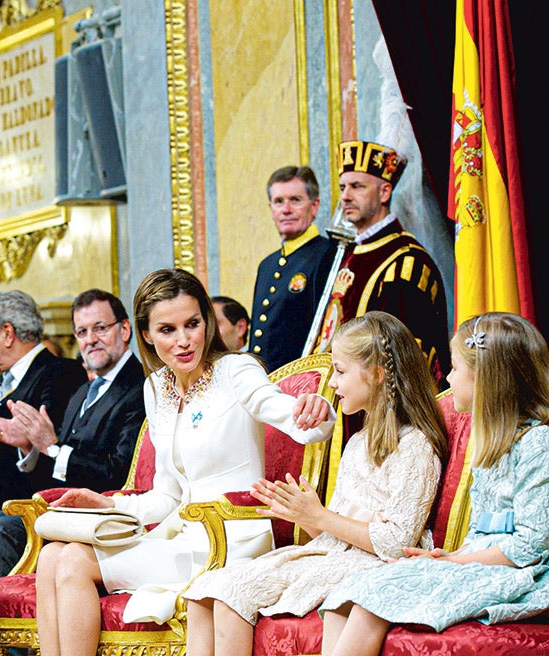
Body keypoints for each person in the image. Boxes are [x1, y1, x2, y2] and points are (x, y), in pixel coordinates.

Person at [33, 268, 337, 656]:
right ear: (145, 334)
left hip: (231, 545)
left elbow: (300, 420)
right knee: (52, 555)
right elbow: (166, 496)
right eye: (167, 330)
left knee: (74, 560)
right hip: (179, 539)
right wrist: (109, 503)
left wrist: (316, 409)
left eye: (192, 324)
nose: (183, 341)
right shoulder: (155, 387)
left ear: (207, 321)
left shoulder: (235, 370)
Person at [319, 312, 549, 656]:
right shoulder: (494, 442)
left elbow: (529, 548)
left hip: (535, 576)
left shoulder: (541, 444)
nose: (447, 378)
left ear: (486, 379)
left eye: (456, 368)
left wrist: (447, 564)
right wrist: (450, 555)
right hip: (491, 564)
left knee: (373, 599)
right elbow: (483, 530)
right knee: (347, 594)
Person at [182, 312, 448, 656]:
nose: (332, 383)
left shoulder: (416, 446)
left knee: (232, 596)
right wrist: (300, 513)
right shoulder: (357, 443)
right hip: (335, 554)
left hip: (374, 564)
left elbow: (396, 542)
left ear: (378, 374)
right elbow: (331, 534)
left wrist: (319, 516)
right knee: (207, 590)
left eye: (340, 371)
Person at [0, 288, 142, 582]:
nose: (90, 340)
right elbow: (52, 470)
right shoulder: (83, 392)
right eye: (81, 331)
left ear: (125, 328)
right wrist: (30, 448)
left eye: (100, 328)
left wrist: (51, 448)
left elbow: (119, 472)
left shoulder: (139, 387)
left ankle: (1, 627)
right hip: (62, 512)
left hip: (105, 519)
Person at [311, 140, 450, 390]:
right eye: (343, 187)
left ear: (385, 192)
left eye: (357, 186)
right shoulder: (348, 254)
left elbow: (406, 358)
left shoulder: (406, 262)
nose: (345, 196)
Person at [0, 289, 86, 575]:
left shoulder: (60, 372)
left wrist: (25, 442)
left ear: (7, 333)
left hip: (18, 502)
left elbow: (45, 447)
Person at [249, 166, 337, 372]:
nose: (286, 209)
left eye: (295, 200)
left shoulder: (329, 254)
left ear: (314, 206)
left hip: (303, 384)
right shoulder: (267, 265)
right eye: (279, 202)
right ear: (271, 209)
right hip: (267, 383)